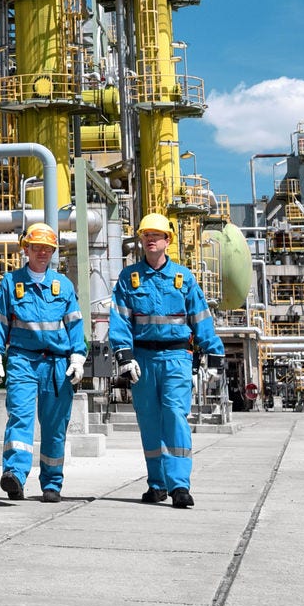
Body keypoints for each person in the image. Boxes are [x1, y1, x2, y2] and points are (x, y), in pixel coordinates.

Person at [107, 212, 222, 509]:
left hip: (176, 357)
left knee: (174, 416)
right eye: (146, 235)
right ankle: (156, 484)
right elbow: (120, 320)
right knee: (148, 422)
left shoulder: (183, 278)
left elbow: (201, 318)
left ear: (167, 240)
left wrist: (215, 352)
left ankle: (179, 485)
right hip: (142, 359)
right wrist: (124, 355)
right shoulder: (129, 278)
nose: (150, 240)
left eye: (156, 235)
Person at [0, 221, 86, 504]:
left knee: (55, 426)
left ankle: (52, 483)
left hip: (57, 365)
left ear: (53, 252)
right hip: (22, 361)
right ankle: (14, 475)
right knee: (20, 417)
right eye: (37, 247)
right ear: (25, 249)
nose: (42, 252)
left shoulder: (63, 286)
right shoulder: (10, 283)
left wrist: (78, 356)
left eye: (47, 248)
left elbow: (75, 325)